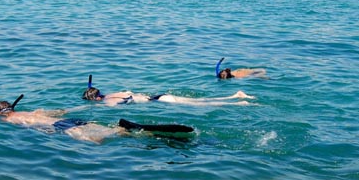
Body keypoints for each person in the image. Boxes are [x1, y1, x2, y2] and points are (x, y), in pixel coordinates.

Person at [0, 95, 193, 143]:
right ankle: (130, 129)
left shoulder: (9, 120)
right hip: (73, 120)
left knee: (96, 142)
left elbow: (32, 129)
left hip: (61, 127)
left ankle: (139, 134)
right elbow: (61, 111)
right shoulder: (36, 111)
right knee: (107, 130)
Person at [82, 75, 255, 107]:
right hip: (160, 96)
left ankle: (239, 102)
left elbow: (116, 105)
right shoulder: (113, 93)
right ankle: (235, 96)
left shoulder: (108, 101)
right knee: (200, 101)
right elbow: (127, 93)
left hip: (160, 101)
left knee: (202, 105)